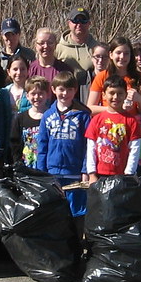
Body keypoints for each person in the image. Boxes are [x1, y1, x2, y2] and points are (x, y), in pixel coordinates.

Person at [36, 70, 92, 220]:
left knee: (76, 212)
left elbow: (89, 146)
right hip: (52, 173)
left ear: (75, 91)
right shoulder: (48, 116)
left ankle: (78, 242)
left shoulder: (83, 116)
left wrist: (86, 170)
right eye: (61, 89)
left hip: (74, 172)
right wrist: (41, 173)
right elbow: (42, 146)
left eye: (69, 89)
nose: (65, 93)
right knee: (54, 213)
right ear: (53, 90)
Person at [85, 75, 141, 182]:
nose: (115, 97)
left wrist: (129, 174)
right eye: (111, 93)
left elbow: (134, 149)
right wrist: (92, 173)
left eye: (120, 93)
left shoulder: (131, 121)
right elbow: (91, 148)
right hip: (100, 174)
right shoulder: (97, 120)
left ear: (125, 95)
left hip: (123, 176)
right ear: (104, 95)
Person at [86, 37, 141, 117]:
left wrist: (139, 99)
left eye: (126, 53)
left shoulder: (140, 77)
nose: (122, 57)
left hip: (132, 125)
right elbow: (90, 109)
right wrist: (114, 108)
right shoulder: (102, 76)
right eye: (118, 53)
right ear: (111, 55)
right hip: (108, 124)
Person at [55, 6, 99, 97]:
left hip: (89, 94)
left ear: (89, 24)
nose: (79, 24)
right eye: (75, 21)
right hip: (65, 95)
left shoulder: (97, 48)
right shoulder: (58, 48)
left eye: (83, 21)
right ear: (69, 23)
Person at [10, 76, 49, 167]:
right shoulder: (21, 118)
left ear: (47, 95)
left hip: (46, 166)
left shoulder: (51, 117)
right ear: (27, 96)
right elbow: (14, 142)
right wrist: (18, 162)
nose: (37, 97)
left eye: (40, 93)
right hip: (26, 165)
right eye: (33, 94)